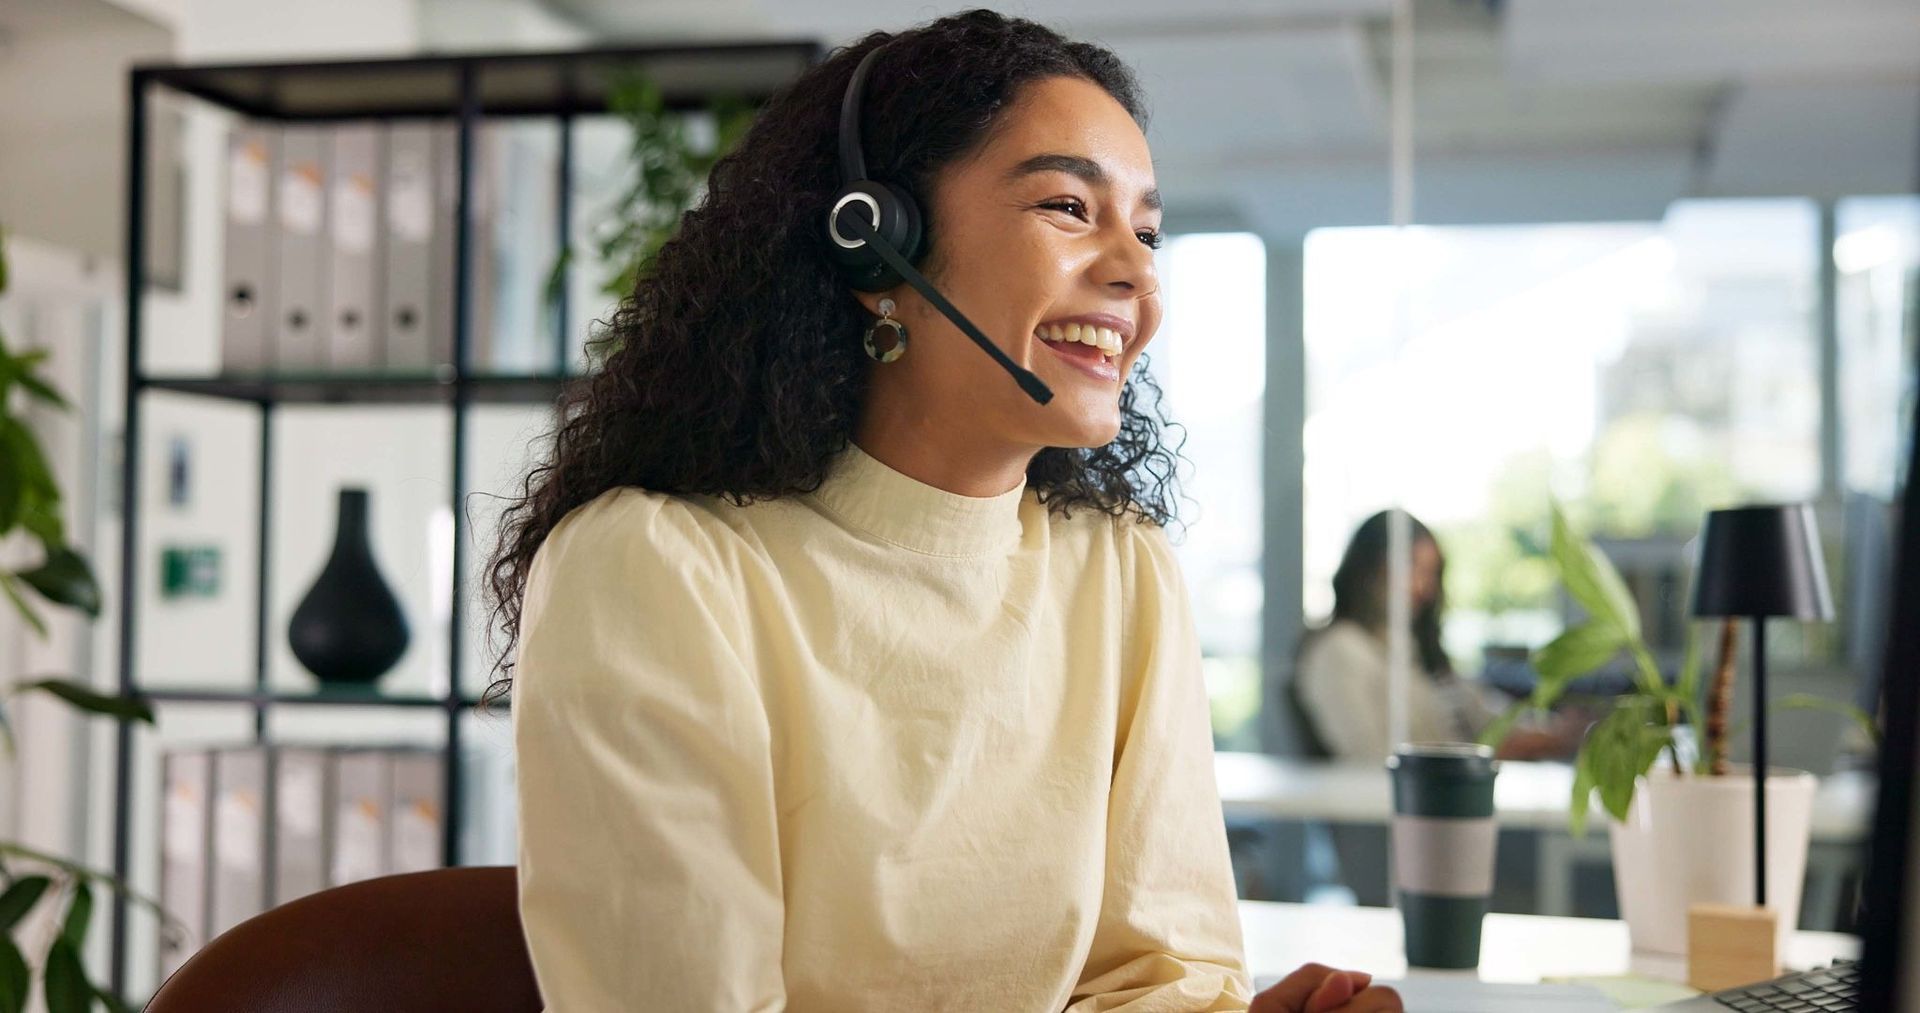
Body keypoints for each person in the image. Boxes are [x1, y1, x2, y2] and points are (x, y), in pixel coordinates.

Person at [484, 10, 1400, 1012]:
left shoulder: (1117, 570)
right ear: (876, 245)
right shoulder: (657, 569)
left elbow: (1160, 975)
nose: (1136, 273)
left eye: (1146, 229)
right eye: (1066, 206)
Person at [1293, 510, 1579, 763]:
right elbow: (1370, 759)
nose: (1422, 587)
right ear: (1369, 568)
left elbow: (1485, 713)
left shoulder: (1413, 651)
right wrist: (1490, 754)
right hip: (1404, 813)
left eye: (1430, 573)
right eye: (1411, 567)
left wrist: (1548, 732)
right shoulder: (1339, 650)